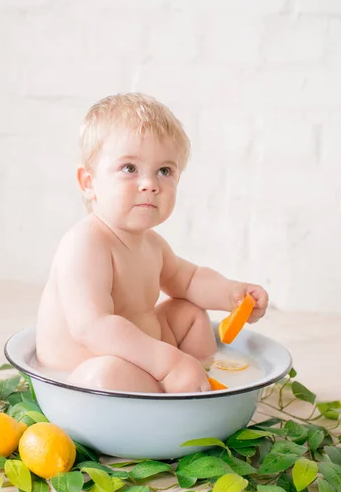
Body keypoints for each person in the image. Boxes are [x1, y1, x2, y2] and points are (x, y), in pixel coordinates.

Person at [36, 93, 268, 394]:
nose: (150, 184)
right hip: (81, 374)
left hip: (146, 356)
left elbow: (189, 279)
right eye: (129, 168)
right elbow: (92, 327)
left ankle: (202, 384)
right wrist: (168, 363)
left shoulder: (152, 244)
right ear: (89, 183)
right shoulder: (85, 243)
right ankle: (175, 385)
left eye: (164, 171)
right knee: (103, 375)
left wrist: (232, 294)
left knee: (189, 314)